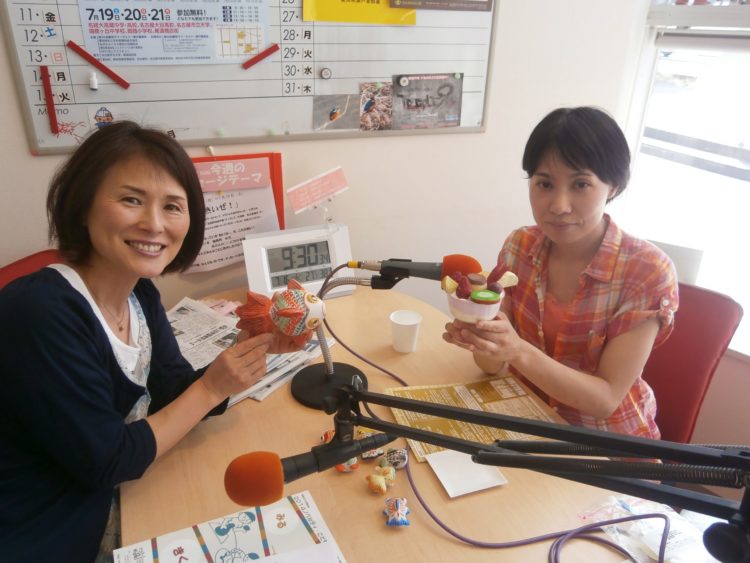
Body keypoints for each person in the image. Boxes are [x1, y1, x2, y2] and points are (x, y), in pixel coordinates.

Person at [0, 122, 295, 562]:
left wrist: (242, 354)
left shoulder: (139, 293)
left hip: (120, 490)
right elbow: (107, 462)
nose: (155, 224)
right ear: (83, 206)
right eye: (131, 199)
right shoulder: (40, 310)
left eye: (173, 206)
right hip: (49, 528)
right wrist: (212, 387)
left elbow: (175, 390)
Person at [443, 106, 678, 439]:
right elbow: (492, 367)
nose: (558, 205)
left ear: (612, 186)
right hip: (525, 420)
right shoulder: (519, 246)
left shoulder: (646, 271)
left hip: (605, 445)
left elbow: (605, 400)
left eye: (581, 184)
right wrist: (481, 335)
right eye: (545, 184)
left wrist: (517, 350)